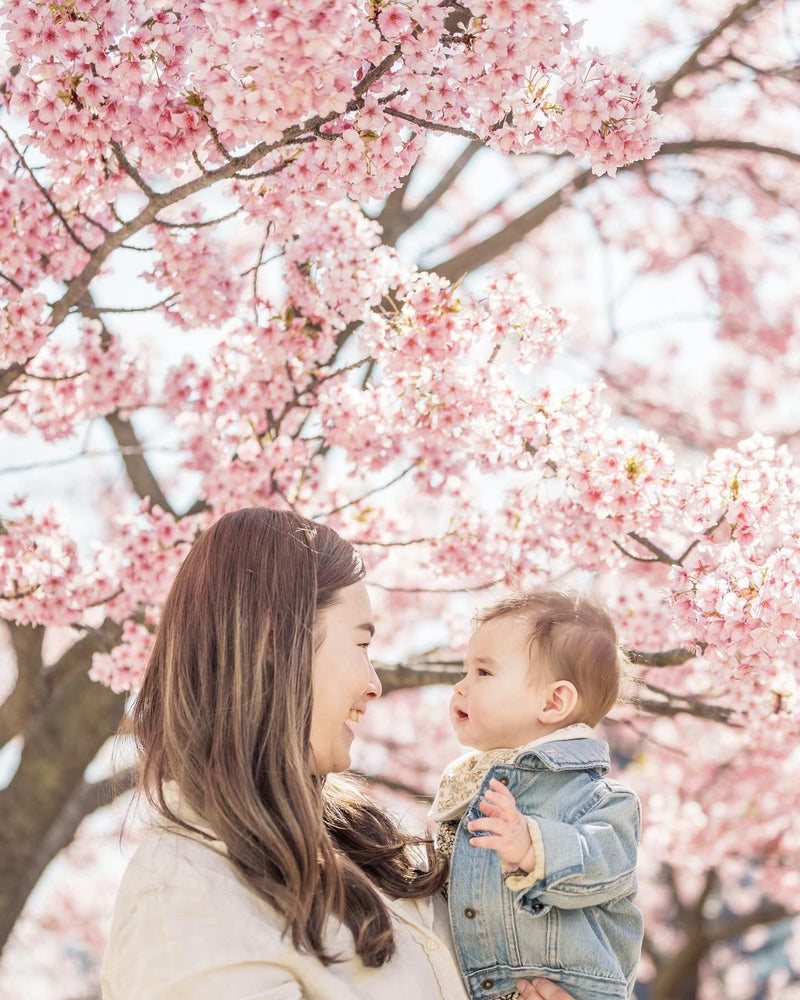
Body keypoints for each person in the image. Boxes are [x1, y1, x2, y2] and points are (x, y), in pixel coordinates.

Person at [101, 507, 577, 1000]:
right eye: (361, 643)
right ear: (274, 640)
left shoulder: (372, 850)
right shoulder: (186, 895)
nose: (374, 686)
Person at [430, 590, 643, 1000]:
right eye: (464, 671)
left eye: (483, 673)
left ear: (554, 701)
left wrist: (533, 845)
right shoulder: (471, 784)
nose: (460, 687)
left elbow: (605, 860)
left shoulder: (600, 798)